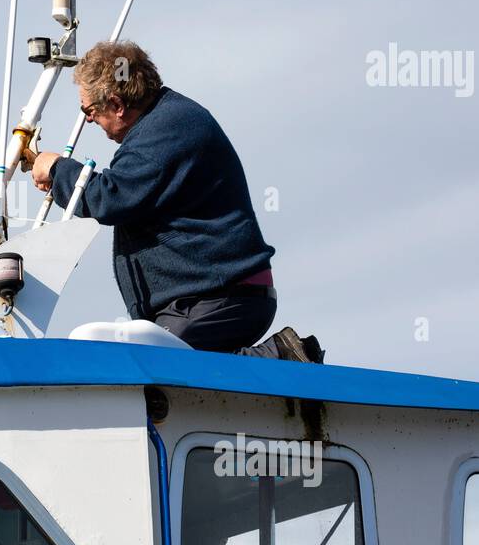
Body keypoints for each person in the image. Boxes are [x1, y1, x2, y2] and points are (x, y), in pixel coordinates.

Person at [28, 41, 322, 362]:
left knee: (159, 366)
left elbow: (111, 198)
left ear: (117, 104)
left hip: (216, 297)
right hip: (213, 296)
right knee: (166, 368)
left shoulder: (166, 130)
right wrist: (60, 179)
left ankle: (283, 358)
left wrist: (57, 169)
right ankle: (278, 360)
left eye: (89, 111)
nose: (87, 120)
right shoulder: (165, 123)